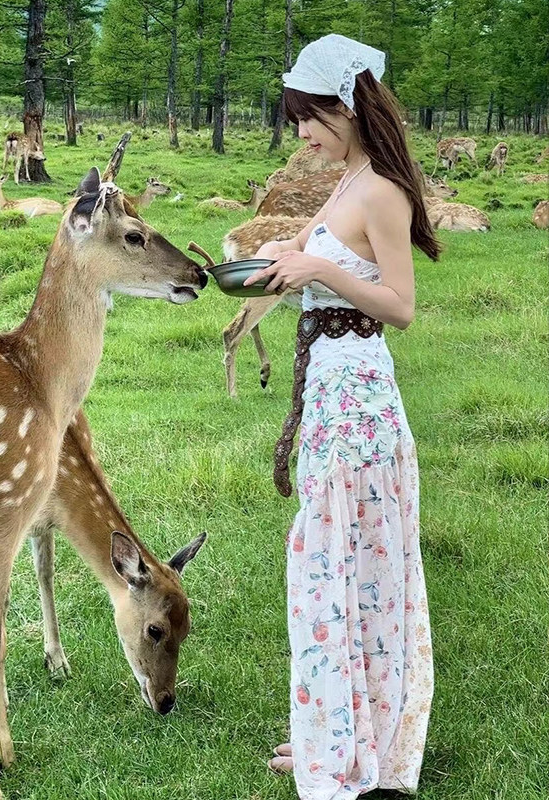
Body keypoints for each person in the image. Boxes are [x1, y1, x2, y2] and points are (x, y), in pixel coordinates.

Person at [243, 34, 438, 799]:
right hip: (330, 390)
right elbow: (310, 247)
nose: (301, 137)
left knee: (345, 567)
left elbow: (400, 306)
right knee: (333, 568)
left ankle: (357, 745)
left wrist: (318, 267)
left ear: (345, 106)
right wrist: (280, 255)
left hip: (358, 400)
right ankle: (336, 729)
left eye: (307, 119)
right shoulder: (345, 177)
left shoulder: (383, 188)